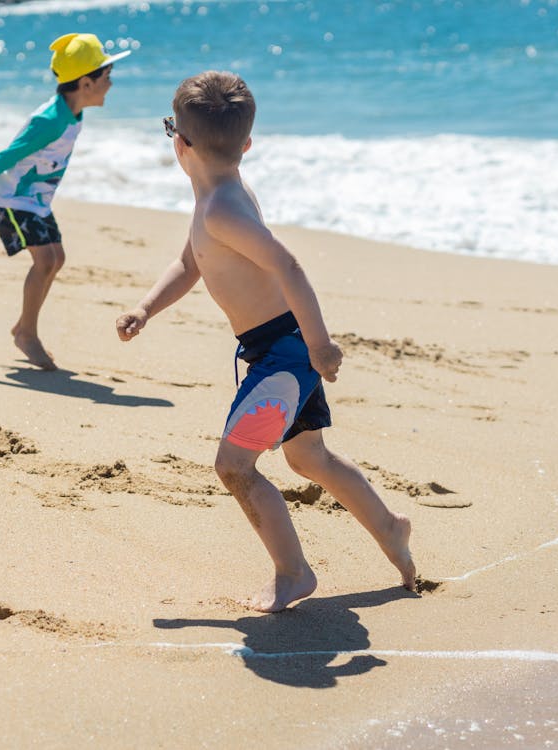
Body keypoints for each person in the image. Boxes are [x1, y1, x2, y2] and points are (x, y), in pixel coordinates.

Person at [116, 71, 416, 612]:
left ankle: (293, 572)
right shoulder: (216, 196)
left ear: (179, 144)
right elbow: (190, 264)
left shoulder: (224, 208)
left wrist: (320, 346)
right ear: (246, 145)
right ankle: (391, 528)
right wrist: (146, 307)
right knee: (309, 458)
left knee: (234, 468)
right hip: (280, 349)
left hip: (283, 358)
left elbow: (288, 265)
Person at [0, 33, 131, 371]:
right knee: (44, 260)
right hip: (13, 200)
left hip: (35, 200)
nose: (111, 84)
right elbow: (11, 152)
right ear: (85, 83)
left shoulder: (72, 114)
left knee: (56, 258)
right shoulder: (50, 120)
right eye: (106, 77)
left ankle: (22, 328)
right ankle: (27, 333)